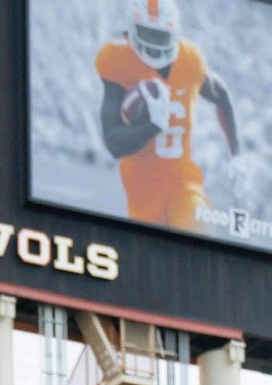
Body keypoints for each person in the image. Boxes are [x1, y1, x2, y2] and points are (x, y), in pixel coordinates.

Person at [97, 0, 239, 234]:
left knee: (200, 240)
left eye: (160, 36)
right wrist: (153, 126)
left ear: (175, 34)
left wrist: (237, 155)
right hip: (142, 192)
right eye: (147, 33)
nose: (153, 46)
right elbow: (113, 142)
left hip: (183, 183)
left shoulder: (189, 60)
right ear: (131, 30)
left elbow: (221, 95)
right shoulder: (118, 60)